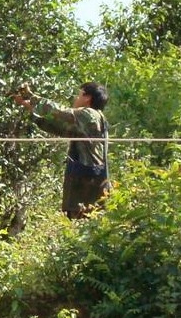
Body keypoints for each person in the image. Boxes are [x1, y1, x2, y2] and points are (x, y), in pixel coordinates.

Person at [13, 82, 111, 219]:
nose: (76, 99)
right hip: (91, 182)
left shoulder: (88, 115)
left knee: (83, 222)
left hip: (86, 184)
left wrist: (31, 96)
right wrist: (28, 106)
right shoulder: (95, 118)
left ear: (87, 98)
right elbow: (57, 127)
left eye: (79, 95)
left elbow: (58, 111)